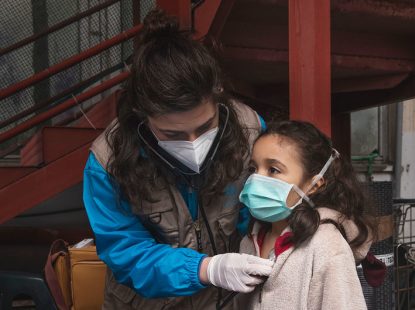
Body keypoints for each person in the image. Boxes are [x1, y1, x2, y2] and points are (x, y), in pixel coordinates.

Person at [82, 8, 273, 310]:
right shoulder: (108, 162)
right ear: (142, 117)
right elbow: (126, 252)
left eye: (205, 127)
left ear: (218, 95)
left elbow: (262, 213)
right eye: (172, 134)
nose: (193, 143)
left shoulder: (250, 130)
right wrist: (206, 269)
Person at [237, 120, 378, 309]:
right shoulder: (248, 242)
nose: (256, 179)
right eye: (253, 169)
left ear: (314, 185)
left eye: (273, 170)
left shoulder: (326, 243)